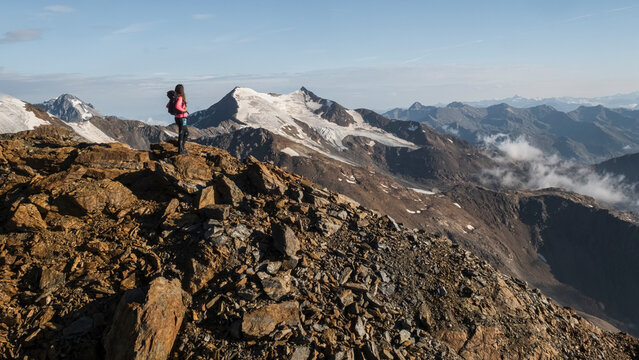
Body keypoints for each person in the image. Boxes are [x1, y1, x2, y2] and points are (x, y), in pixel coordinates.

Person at [168, 84, 188, 154]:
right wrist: (183, 110)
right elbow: (177, 106)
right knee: (182, 134)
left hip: (178, 118)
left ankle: (181, 147)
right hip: (182, 118)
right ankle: (180, 151)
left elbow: (167, 106)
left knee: (185, 133)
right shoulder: (179, 98)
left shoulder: (175, 98)